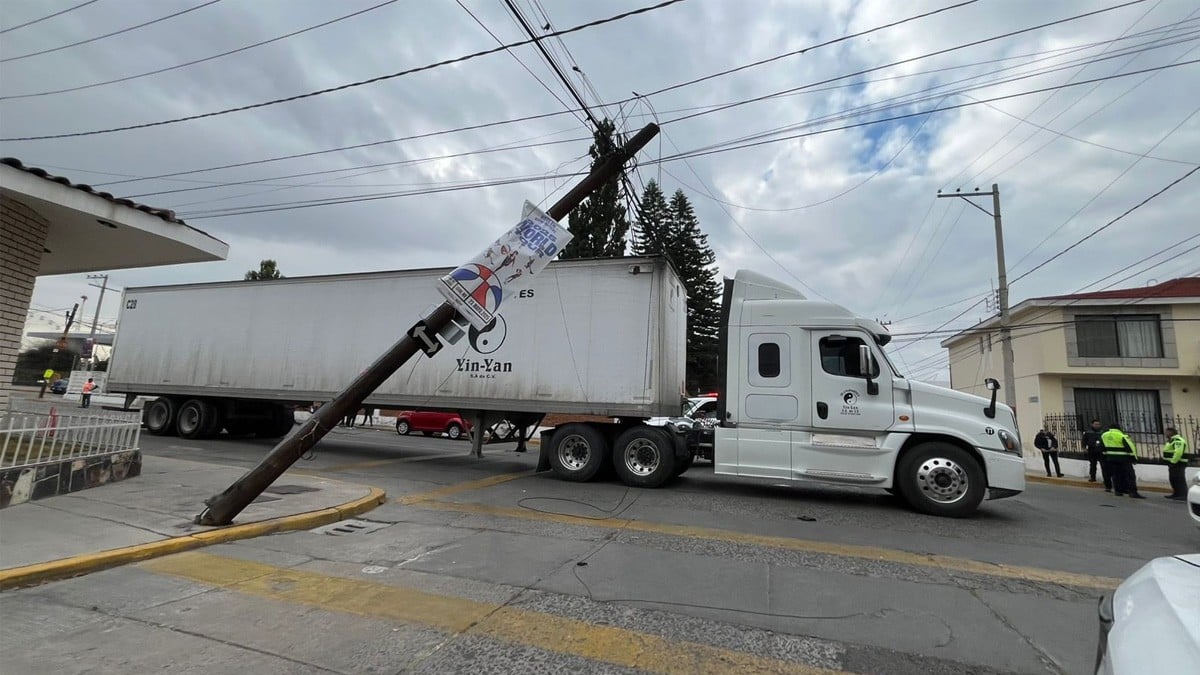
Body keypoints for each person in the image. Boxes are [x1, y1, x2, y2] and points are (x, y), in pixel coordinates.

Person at [1101, 423, 1144, 499]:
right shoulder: (1122, 435)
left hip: (1111, 458)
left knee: (1116, 475)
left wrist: (1107, 455)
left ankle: (1118, 491)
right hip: (1124, 459)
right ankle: (1132, 492)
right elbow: (1130, 447)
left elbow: (1102, 447)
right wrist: (1134, 458)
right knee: (1129, 475)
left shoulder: (1104, 435)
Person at [1081, 419, 1110, 490]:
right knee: (1093, 464)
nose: (1097, 425)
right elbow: (1084, 441)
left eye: (1098, 424)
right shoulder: (1088, 432)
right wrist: (1084, 448)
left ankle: (1106, 479)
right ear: (1092, 424)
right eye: (1096, 424)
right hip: (1092, 451)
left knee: (1104, 466)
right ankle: (1092, 477)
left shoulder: (1103, 432)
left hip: (1101, 451)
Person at [1163, 426, 1190, 500]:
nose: (1165, 433)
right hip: (1173, 463)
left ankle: (1183, 494)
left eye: (1167, 432)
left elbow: (1178, 452)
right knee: (1173, 479)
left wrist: (1173, 462)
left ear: (1171, 432)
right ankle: (1176, 493)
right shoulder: (1171, 440)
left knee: (1179, 479)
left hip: (1178, 463)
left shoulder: (1178, 440)